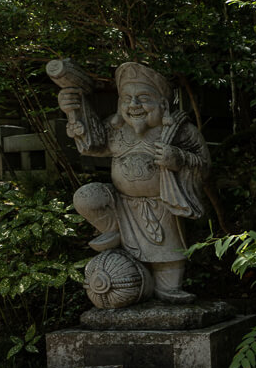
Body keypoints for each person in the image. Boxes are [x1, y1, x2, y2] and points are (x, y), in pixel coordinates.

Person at [57, 62, 209, 303]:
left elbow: (203, 163)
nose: (134, 105)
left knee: (167, 249)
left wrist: (177, 158)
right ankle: (112, 230)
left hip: (163, 202)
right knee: (86, 197)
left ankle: (167, 289)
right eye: (127, 99)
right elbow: (92, 146)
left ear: (163, 104)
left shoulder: (180, 131)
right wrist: (73, 113)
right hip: (121, 204)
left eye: (143, 98)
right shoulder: (115, 129)